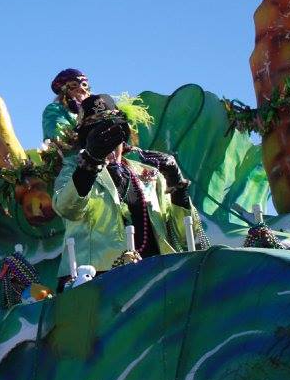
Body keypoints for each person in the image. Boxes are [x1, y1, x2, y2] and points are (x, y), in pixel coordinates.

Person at [52, 94, 206, 273]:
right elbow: (67, 208)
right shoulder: (73, 168)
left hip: (156, 276)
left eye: (111, 131)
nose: (106, 139)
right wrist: (90, 163)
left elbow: (185, 234)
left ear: (122, 134)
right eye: (97, 133)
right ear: (88, 139)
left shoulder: (148, 174)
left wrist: (177, 184)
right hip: (97, 279)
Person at [42, 68, 91, 142]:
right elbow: (60, 135)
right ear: (64, 89)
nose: (81, 88)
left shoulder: (95, 108)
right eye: (74, 84)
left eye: (84, 85)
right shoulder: (55, 109)